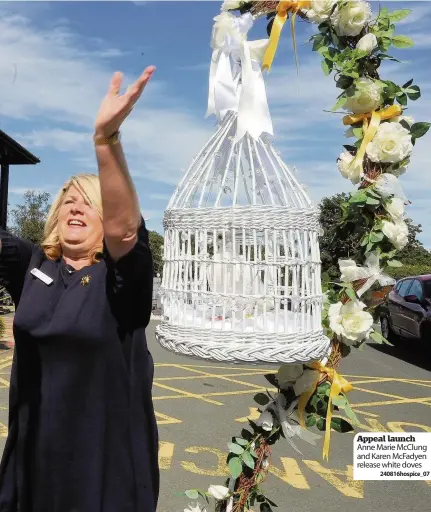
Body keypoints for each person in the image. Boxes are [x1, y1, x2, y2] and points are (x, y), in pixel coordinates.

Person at [0, 66, 159, 512]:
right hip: (31, 464)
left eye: (89, 202)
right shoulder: (34, 264)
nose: (75, 205)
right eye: (68, 199)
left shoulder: (122, 280)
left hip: (100, 471)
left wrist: (106, 141)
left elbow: (126, 232)